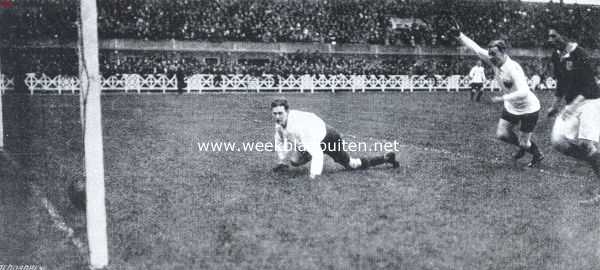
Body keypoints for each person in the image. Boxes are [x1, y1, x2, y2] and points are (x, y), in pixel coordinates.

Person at [451, 28, 544, 167]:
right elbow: (476, 48)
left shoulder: (513, 68)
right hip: (512, 106)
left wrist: (503, 98)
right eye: (490, 54)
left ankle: (537, 154)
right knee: (502, 134)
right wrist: (460, 35)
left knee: (525, 142)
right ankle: (523, 146)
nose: (491, 57)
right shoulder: (494, 61)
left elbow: (524, 91)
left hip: (528, 108)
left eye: (494, 54)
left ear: (503, 52)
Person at [270, 98, 399, 179]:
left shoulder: (299, 127)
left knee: (351, 165)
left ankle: (385, 158)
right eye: (275, 113)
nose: (277, 116)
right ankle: (305, 156)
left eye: (280, 113)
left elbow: (318, 154)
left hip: (329, 137)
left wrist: (313, 176)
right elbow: (280, 141)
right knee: (294, 161)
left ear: (287, 111)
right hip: (314, 138)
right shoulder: (279, 124)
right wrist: (282, 161)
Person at [546, 28, 600, 206]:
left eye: (554, 35)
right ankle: (596, 159)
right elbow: (561, 83)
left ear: (565, 35)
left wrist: (573, 105)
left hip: (589, 102)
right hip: (572, 105)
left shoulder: (580, 53)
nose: (551, 39)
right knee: (557, 141)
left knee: (585, 144)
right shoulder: (557, 55)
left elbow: (589, 86)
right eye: (549, 36)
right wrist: (555, 105)